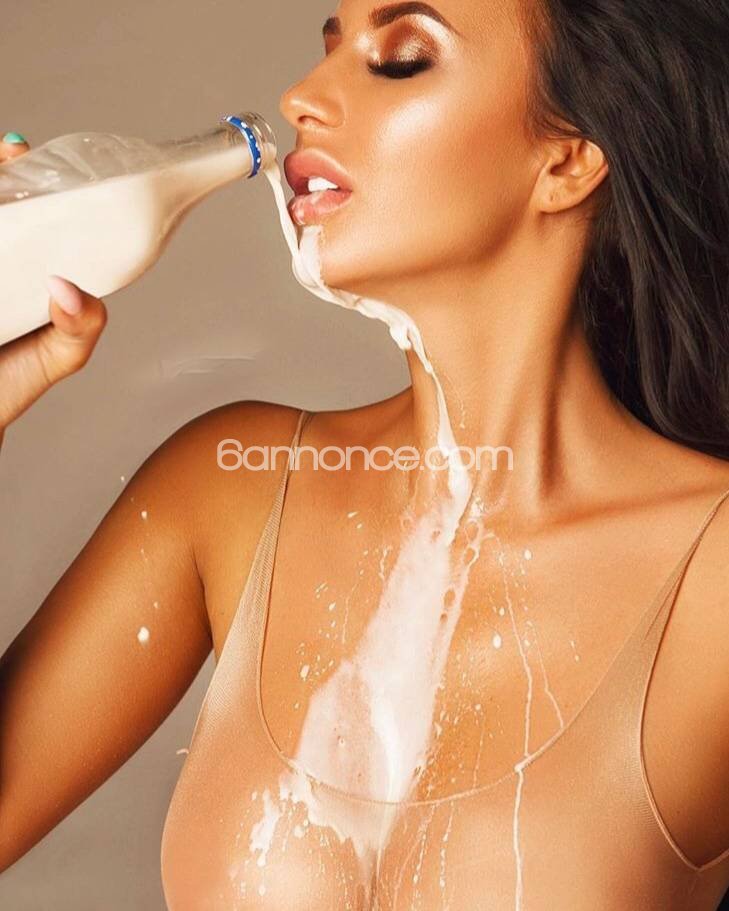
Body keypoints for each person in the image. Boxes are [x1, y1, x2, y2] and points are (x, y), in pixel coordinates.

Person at [1, 0, 729, 907]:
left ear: (566, 159)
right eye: (329, 47)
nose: (300, 98)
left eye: (401, 59)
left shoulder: (710, 572)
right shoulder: (229, 492)